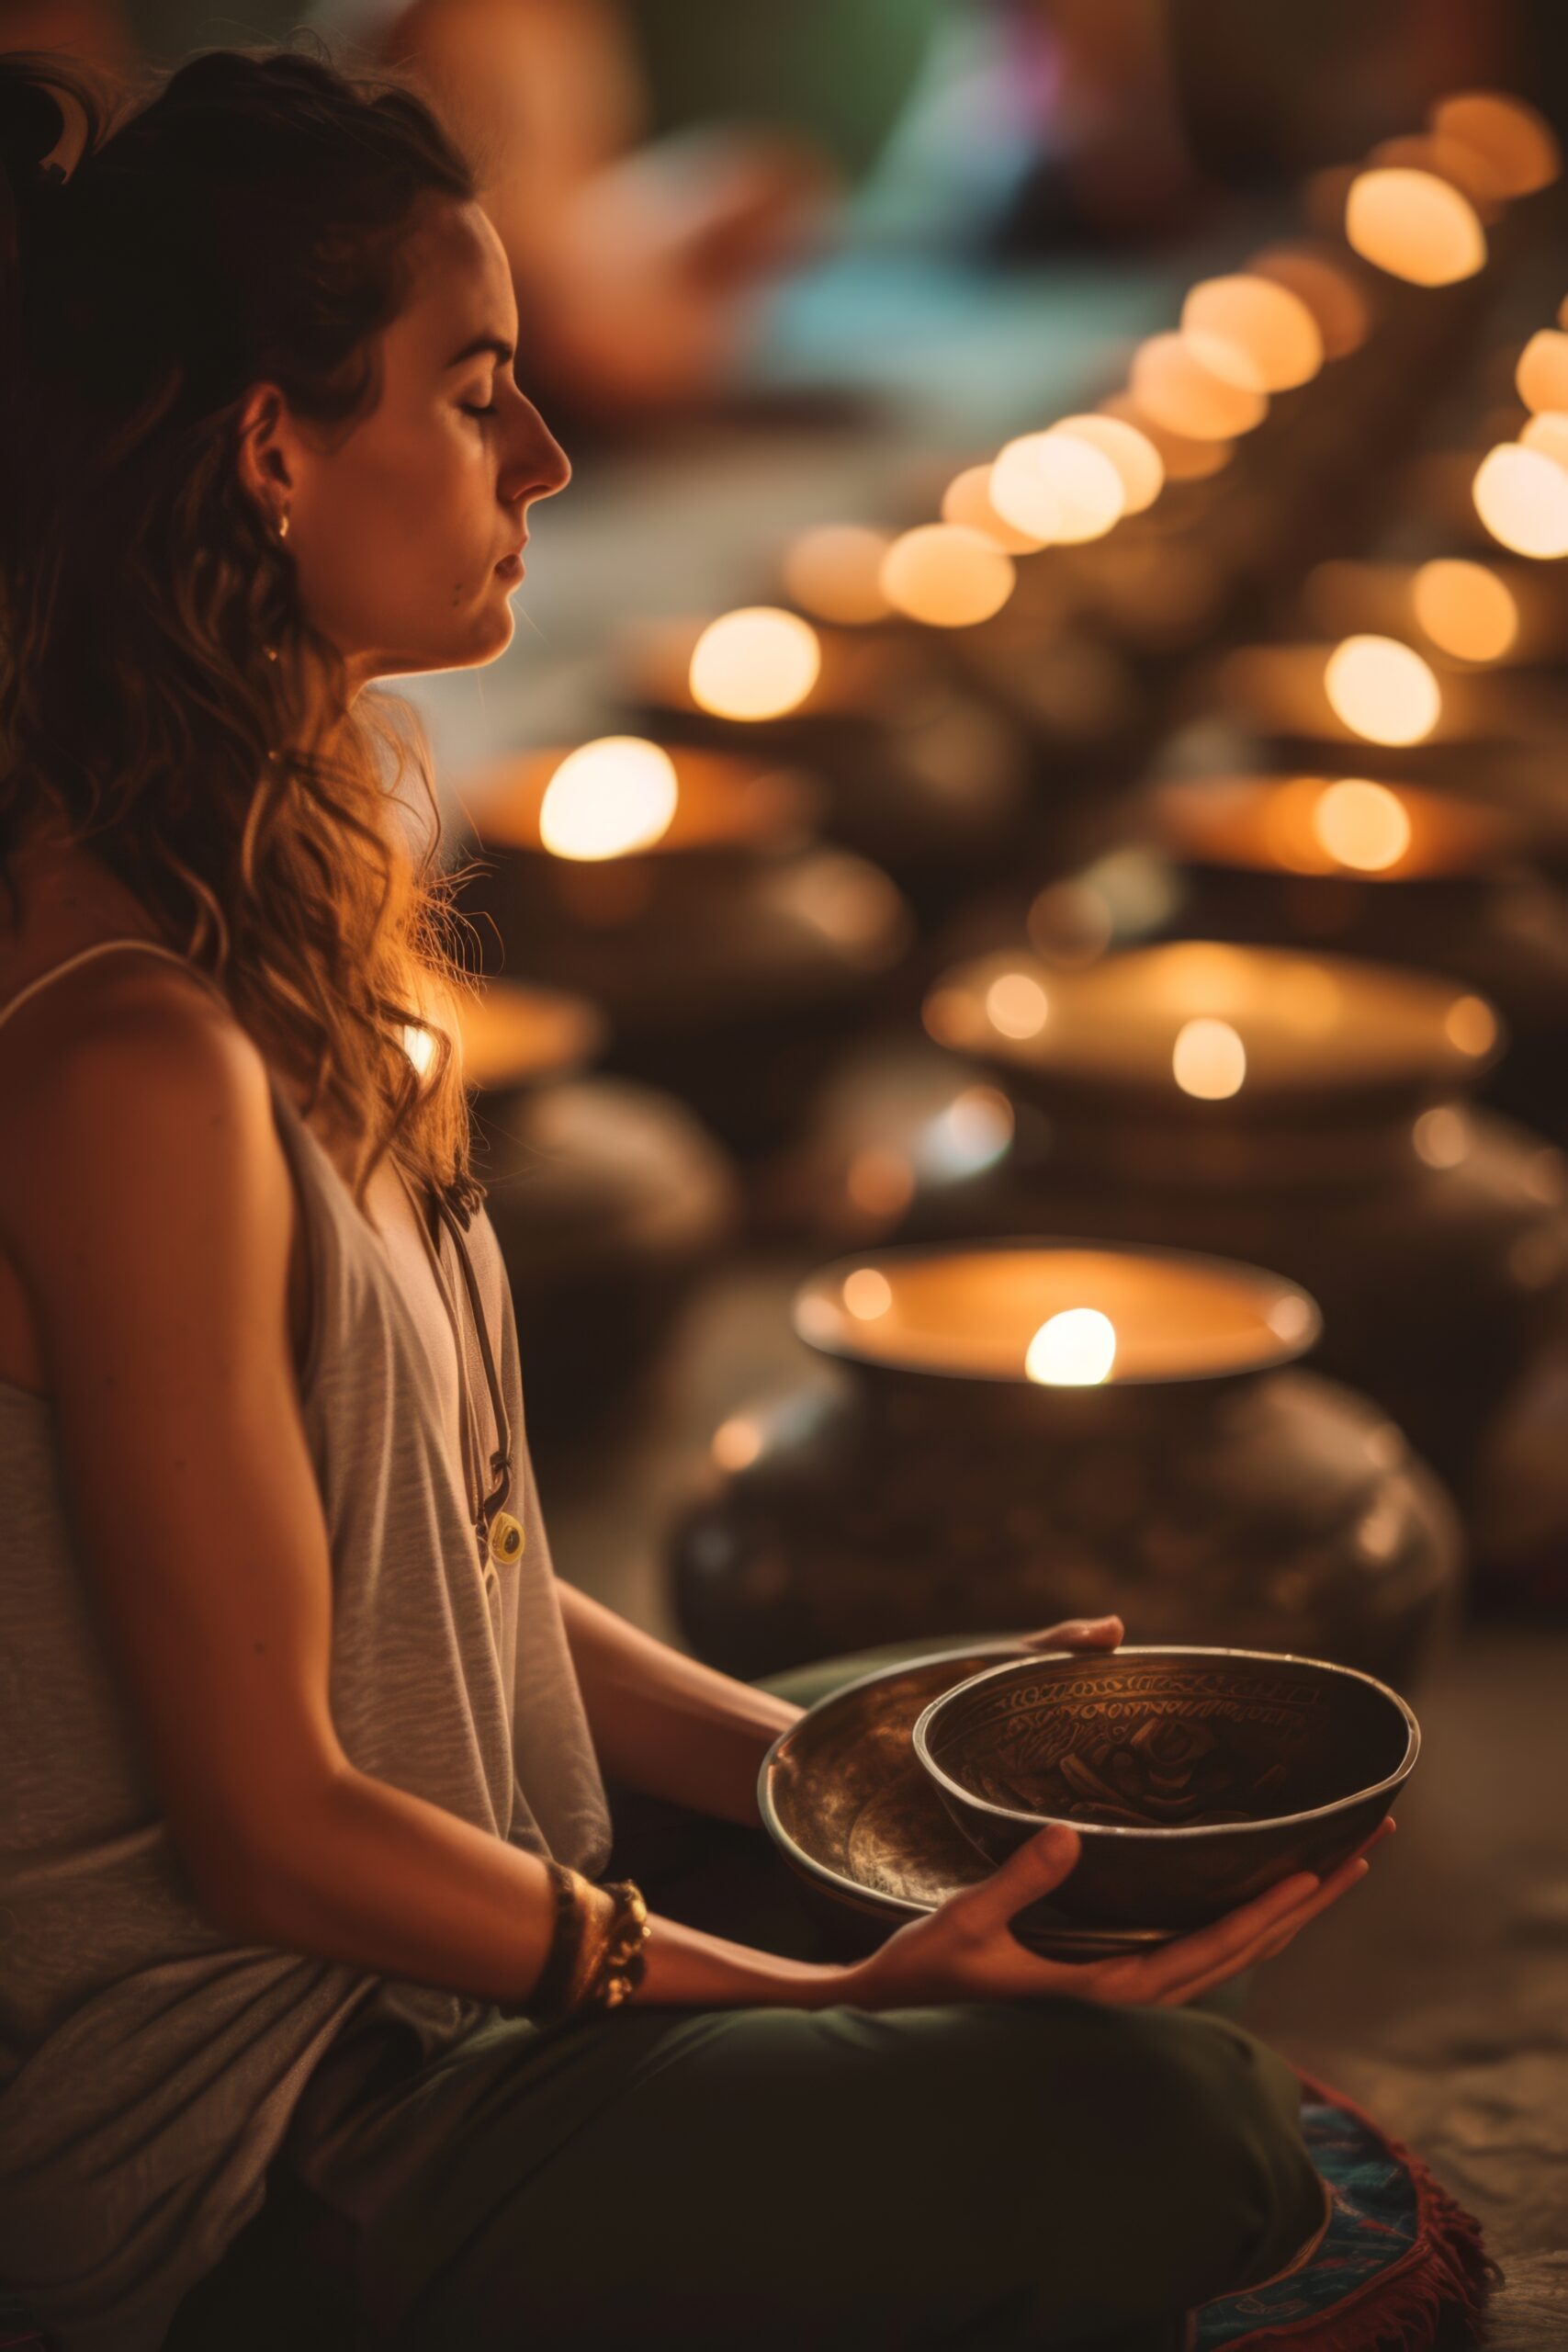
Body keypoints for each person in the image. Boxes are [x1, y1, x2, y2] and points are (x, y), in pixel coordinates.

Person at [0, 43, 1389, 2352]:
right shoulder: (121, 1054)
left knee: (941, 1759)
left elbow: (438, 1584)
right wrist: (781, 1988)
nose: (545, 457)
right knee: (1171, 2133)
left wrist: (839, 1789)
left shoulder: (279, 906)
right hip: (282, 2132)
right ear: (268, 450)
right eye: (474, 394)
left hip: (452, 1921)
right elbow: (264, 1824)